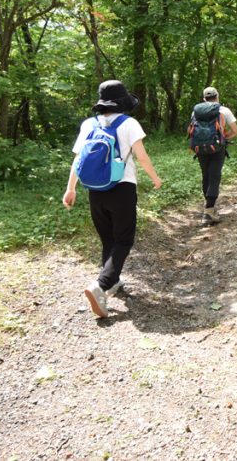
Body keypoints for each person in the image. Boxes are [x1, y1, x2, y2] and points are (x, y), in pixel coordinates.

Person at [62, 80, 162, 319]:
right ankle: (101, 285)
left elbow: (78, 160)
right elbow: (142, 156)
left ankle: (112, 280)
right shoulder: (129, 123)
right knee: (124, 239)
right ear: (122, 102)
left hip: (95, 190)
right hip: (122, 188)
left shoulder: (89, 124)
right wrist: (155, 179)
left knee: (108, 238)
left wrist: (71, 189)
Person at [192, 86, 237, 225]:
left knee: (205, 175)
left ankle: (208, 207)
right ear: (217, 97)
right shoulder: (223, 110)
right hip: (217, 148)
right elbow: (235, 130)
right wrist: (224, 138)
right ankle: (208, 212)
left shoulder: (195, 111)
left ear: (204, 98)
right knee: (214, 176)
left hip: (199, 148)